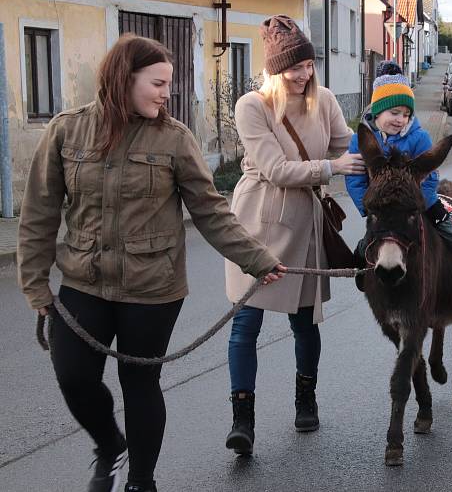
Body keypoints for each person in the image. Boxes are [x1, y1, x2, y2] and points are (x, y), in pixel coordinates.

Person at [16, 34, 284, 492]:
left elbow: (210, 210)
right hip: (83, 281)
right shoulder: (67, 131)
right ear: (125, 78)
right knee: (74, 377)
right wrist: (36, 285)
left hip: (152, 288)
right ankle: (109, 444)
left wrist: (255, 259)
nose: (165, 93)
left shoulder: (174, 140)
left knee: (139, 383)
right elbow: (38, 213)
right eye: (157, 83)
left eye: (168, 85)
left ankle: (142, 482)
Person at [223, 15, 363, 455]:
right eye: (294, 67)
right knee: (246, 323)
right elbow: (275, 170)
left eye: (308, 65)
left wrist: (394, 131)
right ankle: (242, 419)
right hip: (259, 221)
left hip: (307, 223)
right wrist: (330, 169)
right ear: (274, 68)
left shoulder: (322, 99)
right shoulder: (252, 106)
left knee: (305, 320)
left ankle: (306, 400)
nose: (303, 74)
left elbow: (349, 142)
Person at [345, 60, 452, 299]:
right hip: (384, 207)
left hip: (421, 202)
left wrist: (422, 202)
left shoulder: (419, 138)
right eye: (394, 113)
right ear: (377, 112)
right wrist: (367, 205)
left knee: (451, 231)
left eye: (406, 114)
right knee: (369, 241)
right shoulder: (363, 139)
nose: (400, 119)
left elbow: (430, 177)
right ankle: (362, 270)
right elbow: (355, 176)